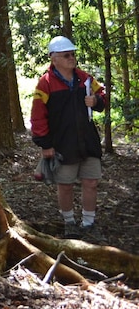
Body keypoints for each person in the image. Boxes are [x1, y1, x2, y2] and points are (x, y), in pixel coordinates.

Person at [31, 36, 107, 241]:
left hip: (88, 142)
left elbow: (104, 96)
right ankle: (69, 223)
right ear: (54, 58)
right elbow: (37, 117)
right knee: (65, 185)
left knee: (91, 182)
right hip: (63, 144)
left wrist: (97, 100)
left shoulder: (86, 79)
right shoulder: (45, 84)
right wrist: (45, 145)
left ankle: (89, 224)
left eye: (72, 54)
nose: (71, 58)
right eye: (66, 55)